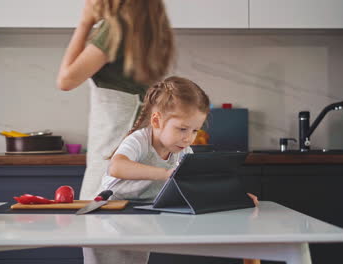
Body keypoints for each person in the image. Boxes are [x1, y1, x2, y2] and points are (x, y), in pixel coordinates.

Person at [96, 76, 259, 264]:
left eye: (195, 131)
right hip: (110, 214)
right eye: (182, 129)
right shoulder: (139, 140)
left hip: (140, 215)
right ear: (157, 121)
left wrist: (234, 197)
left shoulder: (182, 151)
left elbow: (197, 185)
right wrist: (166, 174)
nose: (188, 138)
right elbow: (116, 167)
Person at [57, 0, 175, 201]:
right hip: (137, 136)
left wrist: (85, 22)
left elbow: (66, 80)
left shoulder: (116, 28)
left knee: (99, 210)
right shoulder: (149, 27)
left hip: (115, 138)